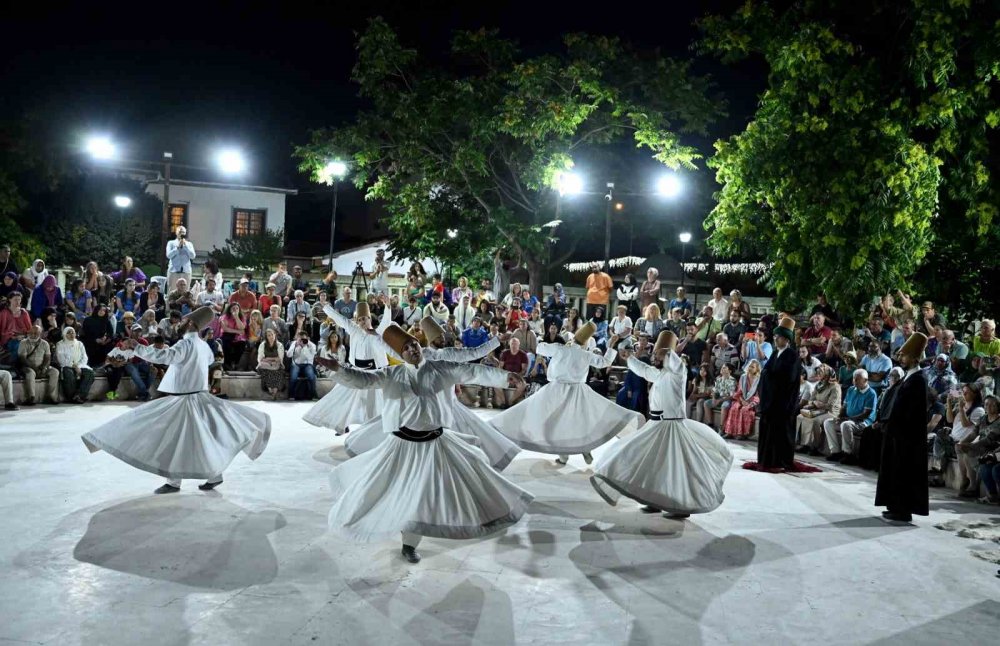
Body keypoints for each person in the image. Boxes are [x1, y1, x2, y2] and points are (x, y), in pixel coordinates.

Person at [317, 323, 532, 563]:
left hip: (435, 443)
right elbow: (363, 380)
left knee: (423, 495)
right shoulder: (391, 374)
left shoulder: (440, 368)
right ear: (401, 354)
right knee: (392, 491)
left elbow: (472, 371)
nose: (413, 349)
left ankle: (409, 544)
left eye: (415, 344)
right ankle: (401, 531)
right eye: (407, 347)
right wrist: (338, 369)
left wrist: (505, 377)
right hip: (402, 446)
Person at [82, 307, 271, 494]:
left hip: (185, 400)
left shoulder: (185, 344)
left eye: (184, 320)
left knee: (171, 437)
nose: (180, 322)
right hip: (199, 397)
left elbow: (165, 356)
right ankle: (213, 475)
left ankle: (175, 482)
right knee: (199, 439)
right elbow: (207, 360)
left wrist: (136, 346)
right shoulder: (203, 345)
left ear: (190, 323)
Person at [592, 330, 734, 517]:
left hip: (672, 426)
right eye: (655, 354)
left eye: (659, 354)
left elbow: (672, 359)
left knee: (675, 468)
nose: (655, 357)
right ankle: (654, 499)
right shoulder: (659, 374)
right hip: (657, 425)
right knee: (652, 463)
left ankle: (680, 506)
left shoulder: (678, 371)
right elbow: (643, 370)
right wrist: (630, 357)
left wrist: (665, 350)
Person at [491, 321, 644, 465]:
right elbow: (604, 362)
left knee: (553, 420)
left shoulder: (560, 348)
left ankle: (567, 453)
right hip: (578, 391)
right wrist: (611, 346)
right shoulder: (585, 354)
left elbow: (539, 348)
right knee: (580, 420)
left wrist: (541, 336)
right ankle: (583, 448)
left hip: (557, 389)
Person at [304, 302, 393, 434]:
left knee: (373, 404)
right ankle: (341, 425)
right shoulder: (354, 329)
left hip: (374, 374)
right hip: (356, 371)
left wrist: (388, 306)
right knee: (342, 398)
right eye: (360, 319)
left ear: (370, 319)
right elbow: (341, 319)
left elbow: (386, 322)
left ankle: (372, 431)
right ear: (357, 321)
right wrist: (326, 307)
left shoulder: (377, 332)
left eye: (365, 318)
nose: (363, 321)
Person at [876, 333, 930, 523]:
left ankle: (903, 509)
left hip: (908, 437)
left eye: (905, 355)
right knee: (895, 470)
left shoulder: (919, 380)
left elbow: (913, 413)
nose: (901, 358)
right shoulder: (908, 377)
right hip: (897, 434)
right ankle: (894, 505)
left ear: (914, 358)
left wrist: (900, 430)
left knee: (904, 472)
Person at [756, 317, 804, 471]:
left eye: (779, 337)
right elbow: (766, 372)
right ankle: (767, 460)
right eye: (775, 336)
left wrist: (769, 376)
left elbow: (788, 378)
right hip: (771, 401)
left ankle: (780, 461)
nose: (776, 339)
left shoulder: (792, 356)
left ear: (787, 339)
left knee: (781, 432)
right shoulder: (775, 353)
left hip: (783, 403)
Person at [823, 369, 877, 464]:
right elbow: (844, 407)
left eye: (857, 380)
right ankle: (835, 452)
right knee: (828, 422)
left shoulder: (871, 393)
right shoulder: (851, 389)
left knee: (846, 425)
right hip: (849, 419)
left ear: (865, 380)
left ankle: (848, 454)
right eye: (854, 379)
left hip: (863, 422)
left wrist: (848, 419)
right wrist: (839, 416)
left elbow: (866, 414)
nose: (854, 382)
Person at [795, 365, 842, 456]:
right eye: (818, 373)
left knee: (814, 421)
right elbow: (811, 400)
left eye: (821, 373)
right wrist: (815, 403)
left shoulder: (835, 387)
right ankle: (804, 444)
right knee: (800, 417)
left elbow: (830, 405)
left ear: (827, 374)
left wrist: (820, 404)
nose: (818, 375)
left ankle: (815, 447)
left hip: (831, 412)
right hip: (817, 409)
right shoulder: (818, 385)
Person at [17, 324, 59, 406]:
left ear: (40, 334)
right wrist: (35, 368)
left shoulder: (45, 343)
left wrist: (44, 367)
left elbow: (47, 357)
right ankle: (31, 397)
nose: (33, 335)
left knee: (55, 372)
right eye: (31, 333)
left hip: (41, 367)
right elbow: (23, 359)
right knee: (30, 373)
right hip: (28, 366)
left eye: (36, 333)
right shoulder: (24, 342)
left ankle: (50, 396)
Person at [723, 359, 762, 439]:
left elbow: (758, 396)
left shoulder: (759, 380)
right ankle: (730, 432)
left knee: (744, 410)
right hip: (741, 399)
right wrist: (741, 400)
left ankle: (742, 434)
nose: (750, 368)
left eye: (753, 367)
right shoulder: (743, 377)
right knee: (734, 408)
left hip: (753, 402)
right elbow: (739, 391)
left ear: (757, 369)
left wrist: (750, 404)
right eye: (749, 366)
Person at [55, 327, 95, 404]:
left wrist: (79, 366)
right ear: (64, 334)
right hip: (67, 365)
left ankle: (79, 396)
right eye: (69, 333)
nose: (71, 334)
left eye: (73, 332)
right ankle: (72, 396)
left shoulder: (79, 344)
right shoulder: (60, 344)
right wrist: (74, 366)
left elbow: (84, 357)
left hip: (80, 365)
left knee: (89, 373)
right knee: (68, 373)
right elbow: (61, 359)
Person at [256, 328, 286, 399]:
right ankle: (271, 390)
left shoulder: (279, 345)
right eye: (268, 335)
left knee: (277, 371)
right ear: (266, 337)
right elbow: (261, 358)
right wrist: (271, 360)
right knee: (266, 371)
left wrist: (268, 359)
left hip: (276, 365)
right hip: (266, 365)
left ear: (275, 335)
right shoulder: (263, 345)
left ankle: (274, 392)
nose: (271, 337)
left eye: (272, 335)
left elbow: (280, 358)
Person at [166, 225, 196, 291]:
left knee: (185, 291)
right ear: (176, 233)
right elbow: (168, 255)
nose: (181, 233)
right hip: (174, 271)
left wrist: (185, 247)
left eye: (183, 232)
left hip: (186, 271)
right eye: (180, 232)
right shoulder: (171, 243)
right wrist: (177, 248)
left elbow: (193, 256)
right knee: (172, 291)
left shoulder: (189, 244)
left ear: (185, 233)